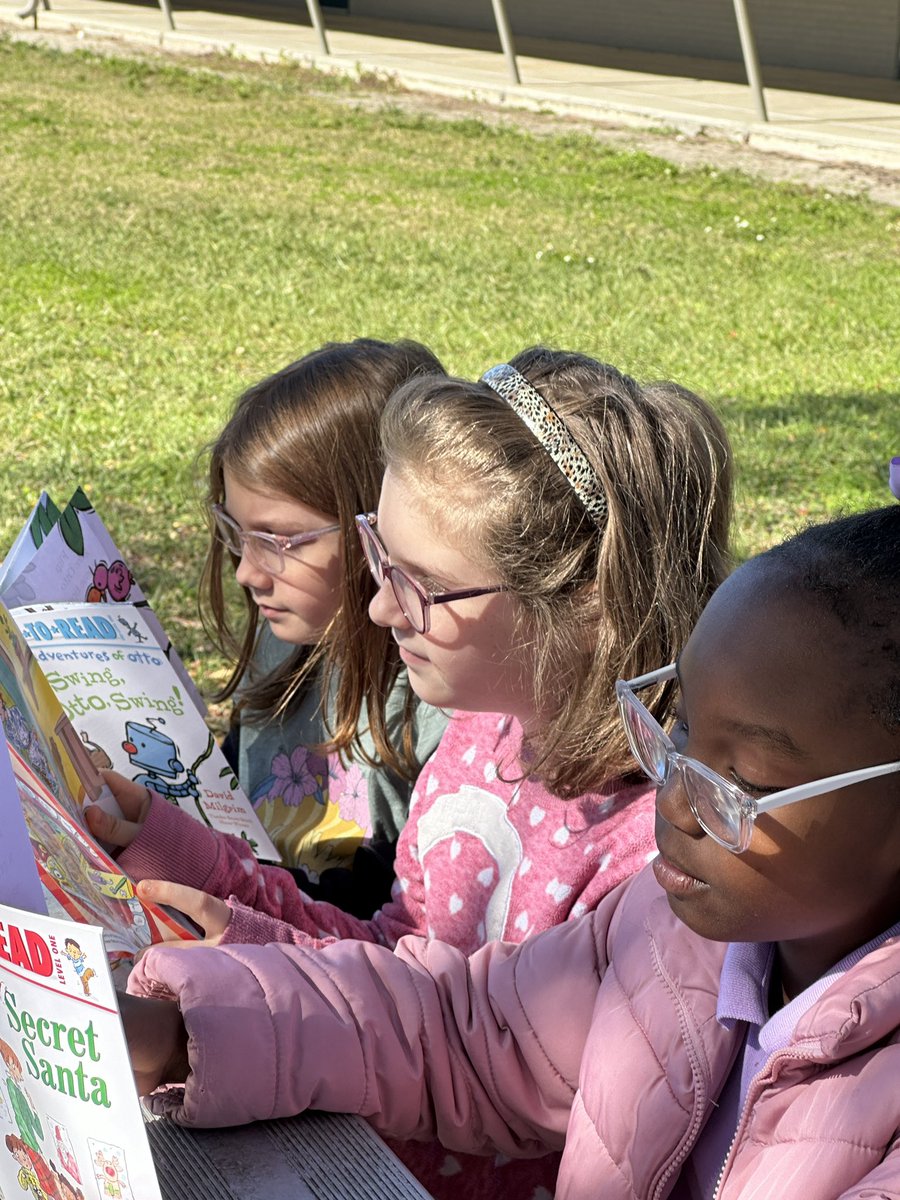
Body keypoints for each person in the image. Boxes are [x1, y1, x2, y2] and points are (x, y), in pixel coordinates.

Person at [122, 505, 900, 1199]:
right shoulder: (660, 933)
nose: (672, 800)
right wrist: (184, 1033)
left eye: (742, 780)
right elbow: (465, 1033)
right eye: (681, 727)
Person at [102, 348, 732, 1199]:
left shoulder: (665, 858)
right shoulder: (479, 738)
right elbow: (403, 964)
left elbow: (480, 1062)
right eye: (377, 552)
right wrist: (180, 854)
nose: (377, 606)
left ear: (585, 599)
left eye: (422, 582)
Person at [87, 339, 450, 921]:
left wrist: (170, 853)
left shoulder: (441, 707)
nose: (248, 573)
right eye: (235, 531)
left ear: (381, 526)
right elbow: (236, 797)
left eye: (280, 542)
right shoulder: (284, 642)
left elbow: (374, 924)